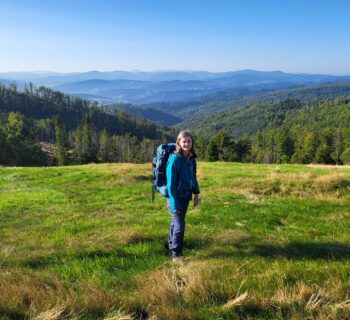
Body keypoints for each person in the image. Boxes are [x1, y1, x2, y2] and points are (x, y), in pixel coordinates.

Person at [166, 130, 200, 263]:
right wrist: (174, 205)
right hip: (175, 198)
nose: (187, 144)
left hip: (186, 197)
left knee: (176, 223)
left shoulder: (191, 159)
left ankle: (170, 245)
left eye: (189, 141)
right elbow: (171, 187)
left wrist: (196, 194)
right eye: (184, 141)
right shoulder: (174, 160)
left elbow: (193, 178)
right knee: (180, 225)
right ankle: (176, 255)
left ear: (192, 142)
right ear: (179, 142)